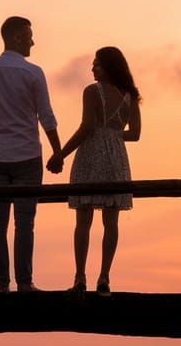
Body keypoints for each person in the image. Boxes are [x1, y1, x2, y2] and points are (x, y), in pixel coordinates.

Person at [0, 16, 63, 292]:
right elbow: (46, 117)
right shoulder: (33, 73)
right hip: (28, 156)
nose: (33, 42)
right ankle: (24, 283)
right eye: (29, 37)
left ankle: (1, 284)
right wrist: (57, 151)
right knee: (24, 223)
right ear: (17, 38)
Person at [47, 47, 141, 293]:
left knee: (83, 219)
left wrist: (60, 154)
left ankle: (80, 277)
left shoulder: (92, 91)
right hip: (117, 158)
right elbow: (135, 134)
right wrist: (113, 136)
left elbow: (87, 127)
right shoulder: (130, 95)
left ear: (109, 67)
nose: (92, 69)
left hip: (90, 155)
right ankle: (104, 277)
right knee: (111, 220)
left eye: (97, 64)